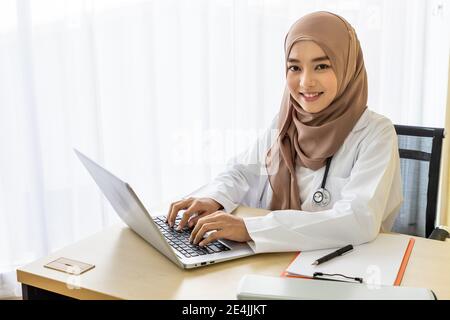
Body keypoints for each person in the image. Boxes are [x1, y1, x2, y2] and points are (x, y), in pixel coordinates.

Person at [166, 11, 403, 253]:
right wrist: (214, 198)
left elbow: (357, 220)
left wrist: (251, 229)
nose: (305, 82)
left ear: (347, 66)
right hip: (274, 260)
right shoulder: (287, 121)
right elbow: (243, 173)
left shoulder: (375, 133)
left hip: (338, 267)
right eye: (295, 67)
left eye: (321, 66)